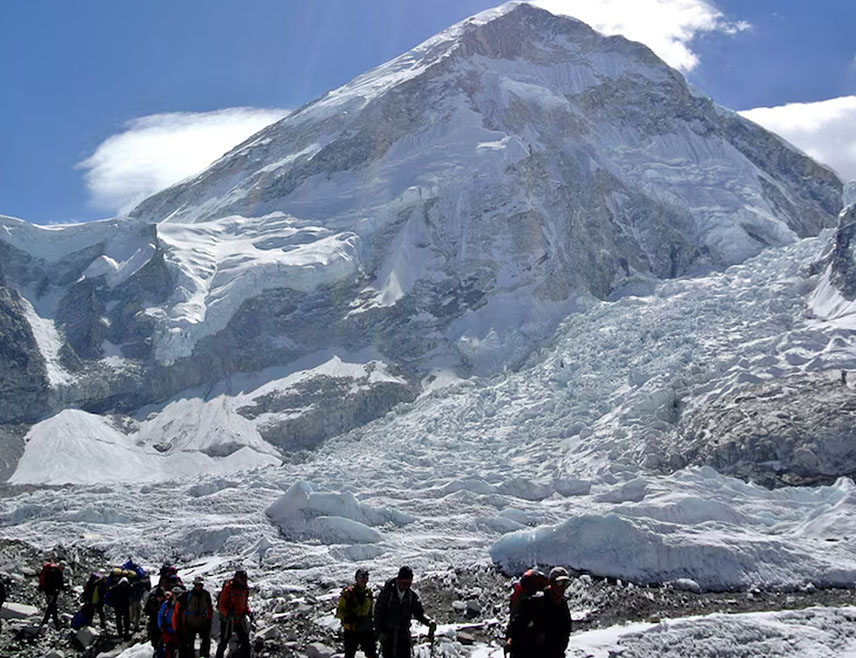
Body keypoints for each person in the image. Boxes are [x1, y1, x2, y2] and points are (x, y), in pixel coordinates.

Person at [507, 566, 572, 658]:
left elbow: (565, 632)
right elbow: (518, 628)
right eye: (560, 583)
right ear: (551, 583)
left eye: (566, 584)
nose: (563, 587)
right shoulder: (535, 601)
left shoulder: (563, 605)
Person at [374, 566, 436, 658]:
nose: (406, 586)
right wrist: (379, 632)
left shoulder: (411, 596)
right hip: (388, 637)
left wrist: (428, 622)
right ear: (398, 580)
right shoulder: (387, 594)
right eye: (404, 583)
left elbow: (418, 613)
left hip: (404, 636)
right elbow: (378, 613)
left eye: (409, 583)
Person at [336, 567, 377, 658]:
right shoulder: (349, 593)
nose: (364, 579)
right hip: (352, 629)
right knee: (350, 654)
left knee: (372, 654)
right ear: (356, 578)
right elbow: (340, 611)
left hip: (366, 628)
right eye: (362, 577)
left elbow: (372, 611)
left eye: (366, 577)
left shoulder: (369, 593)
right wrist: (347, 617)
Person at [215, 569, 252, 658]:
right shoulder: (229, 588)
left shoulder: (245, 588)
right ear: (236, 578)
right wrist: (227, 613)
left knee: (246, 643)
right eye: (242, 578)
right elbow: (221, 604)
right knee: (224, 642)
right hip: (228, 620)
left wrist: (248, 612)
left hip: (240, 619)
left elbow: (245, 603)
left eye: (245, 578)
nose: (244, 580)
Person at [184, 576, 214, 658]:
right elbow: (184, 608)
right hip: (191, 623)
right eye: (197, 585)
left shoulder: (206, 594)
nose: (199, 586)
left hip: (203, 622)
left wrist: (209, 619)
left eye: (200, 585)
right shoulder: (188, 594)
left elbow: (210, 607)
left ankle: (204, 655)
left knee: (205, 642)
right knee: (190, 644)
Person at [39, 560, 67, 630]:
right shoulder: (55, 572)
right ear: (60, 566)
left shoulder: (55, 571)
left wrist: (64, 589)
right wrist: (51, 593)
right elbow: (53, 584)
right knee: (52, 607)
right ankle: (55, 624)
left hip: (51, 592)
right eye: (63, 568)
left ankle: (48, 622)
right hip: (51, 592)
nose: (63, 569)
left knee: (52, 607)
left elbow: (60, 583)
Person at [159, 586, 184, 658]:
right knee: (169, 648)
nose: (175, 596)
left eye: (177, 594)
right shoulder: (166, 604)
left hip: (177, 629)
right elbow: (160, 615)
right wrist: (161, 626)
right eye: (174, 594)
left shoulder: (181, 604)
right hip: (167, 629)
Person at [145, 586, 167, 652]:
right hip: (154, 624)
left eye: (161, 597)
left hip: (164, 624)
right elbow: (146, 611)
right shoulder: (152, 602)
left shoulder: (166, 603)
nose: (160, 599)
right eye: (158, 597)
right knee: (155, 641)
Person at [111, 576, 133, 640]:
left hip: (117, 606)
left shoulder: (116, 587)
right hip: (125, 605)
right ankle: (126, 632)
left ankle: (120, 632)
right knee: (126, 619)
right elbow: (131, 595)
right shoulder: (129, 587)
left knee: (118, 619)